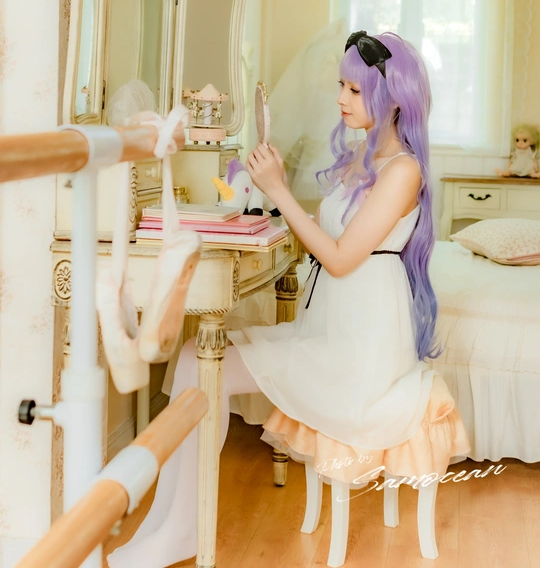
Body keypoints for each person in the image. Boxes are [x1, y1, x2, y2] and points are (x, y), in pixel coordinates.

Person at [107, 30, 470, 568]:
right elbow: (322, 236)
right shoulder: (363, 159)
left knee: (201, 365)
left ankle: (180, 526)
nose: (341, 98)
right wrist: (263, 200)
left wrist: (278, 189)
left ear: (393, 99)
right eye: (341, 86)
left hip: (360, 352)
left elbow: (340, 258)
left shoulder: (403, 170)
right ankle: (172, 520)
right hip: (330, 332)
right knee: (192, 360)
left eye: (354, 89)